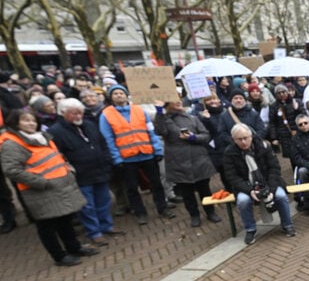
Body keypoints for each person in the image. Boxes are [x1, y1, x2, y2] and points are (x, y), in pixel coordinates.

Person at [0, 109, 99, 266]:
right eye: (25, 120)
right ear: (15, 123)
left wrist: (67, 169)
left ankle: (74, 247)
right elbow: (12, 170)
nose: (31, 123)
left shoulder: (42, 137)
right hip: (40, 191)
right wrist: (41, 183)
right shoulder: (12, 144)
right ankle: (59, 256)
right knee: (47, 225)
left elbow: (56, 156)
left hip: (60, 186)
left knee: (65, 219)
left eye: (33, 120)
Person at [98, 84, 175, 225]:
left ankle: (162, 208)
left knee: (156, 184)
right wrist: (116, 158)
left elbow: (150, 131)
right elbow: (108, 139)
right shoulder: (106, 115)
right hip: (126, 158)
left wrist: (157, 149)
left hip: (146, 154)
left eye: (121, 92)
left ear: (126, 95)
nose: (119, 95)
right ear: (111, 97)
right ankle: (140, 213)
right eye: (115, 94)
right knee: (132, 188)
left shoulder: (139, 110)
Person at [47, 98, 120, 246]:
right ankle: (94, 232)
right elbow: (57, 155)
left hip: (99, 170)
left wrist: (107, 160)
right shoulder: (55, 132)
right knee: (87, 206)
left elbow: (102, 143)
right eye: (74, 113)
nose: (78, 116)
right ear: (63, 113)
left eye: (80, 112)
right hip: (80, 175)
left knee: (103, 201)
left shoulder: (89, 125)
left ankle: (106, 226)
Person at [222, 123, 295, 245]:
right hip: (246, 186)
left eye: (246, 138)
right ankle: (250, 229)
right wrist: (249, 190)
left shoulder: (264, 146)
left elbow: (275, 169)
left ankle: (287, 224)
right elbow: (232, 177)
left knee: (281, 196)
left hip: (269, 182)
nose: (244, 142)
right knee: (243, 201)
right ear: (234, 139)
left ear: (251, 136)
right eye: (239, 139)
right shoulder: (229, 153)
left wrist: (271, 190)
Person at [152, 99, 221, 228]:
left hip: (199, 159)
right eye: (174, 100)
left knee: (204, 189)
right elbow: (160, 131)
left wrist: (193, 138)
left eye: (179, 100)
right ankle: (194, 215)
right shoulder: (164, 119)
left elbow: (206, 135)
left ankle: (210, 212)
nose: (178, 102)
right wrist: (159, 111)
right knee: (187, 192)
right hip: (179, 161)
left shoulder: (193, 118)